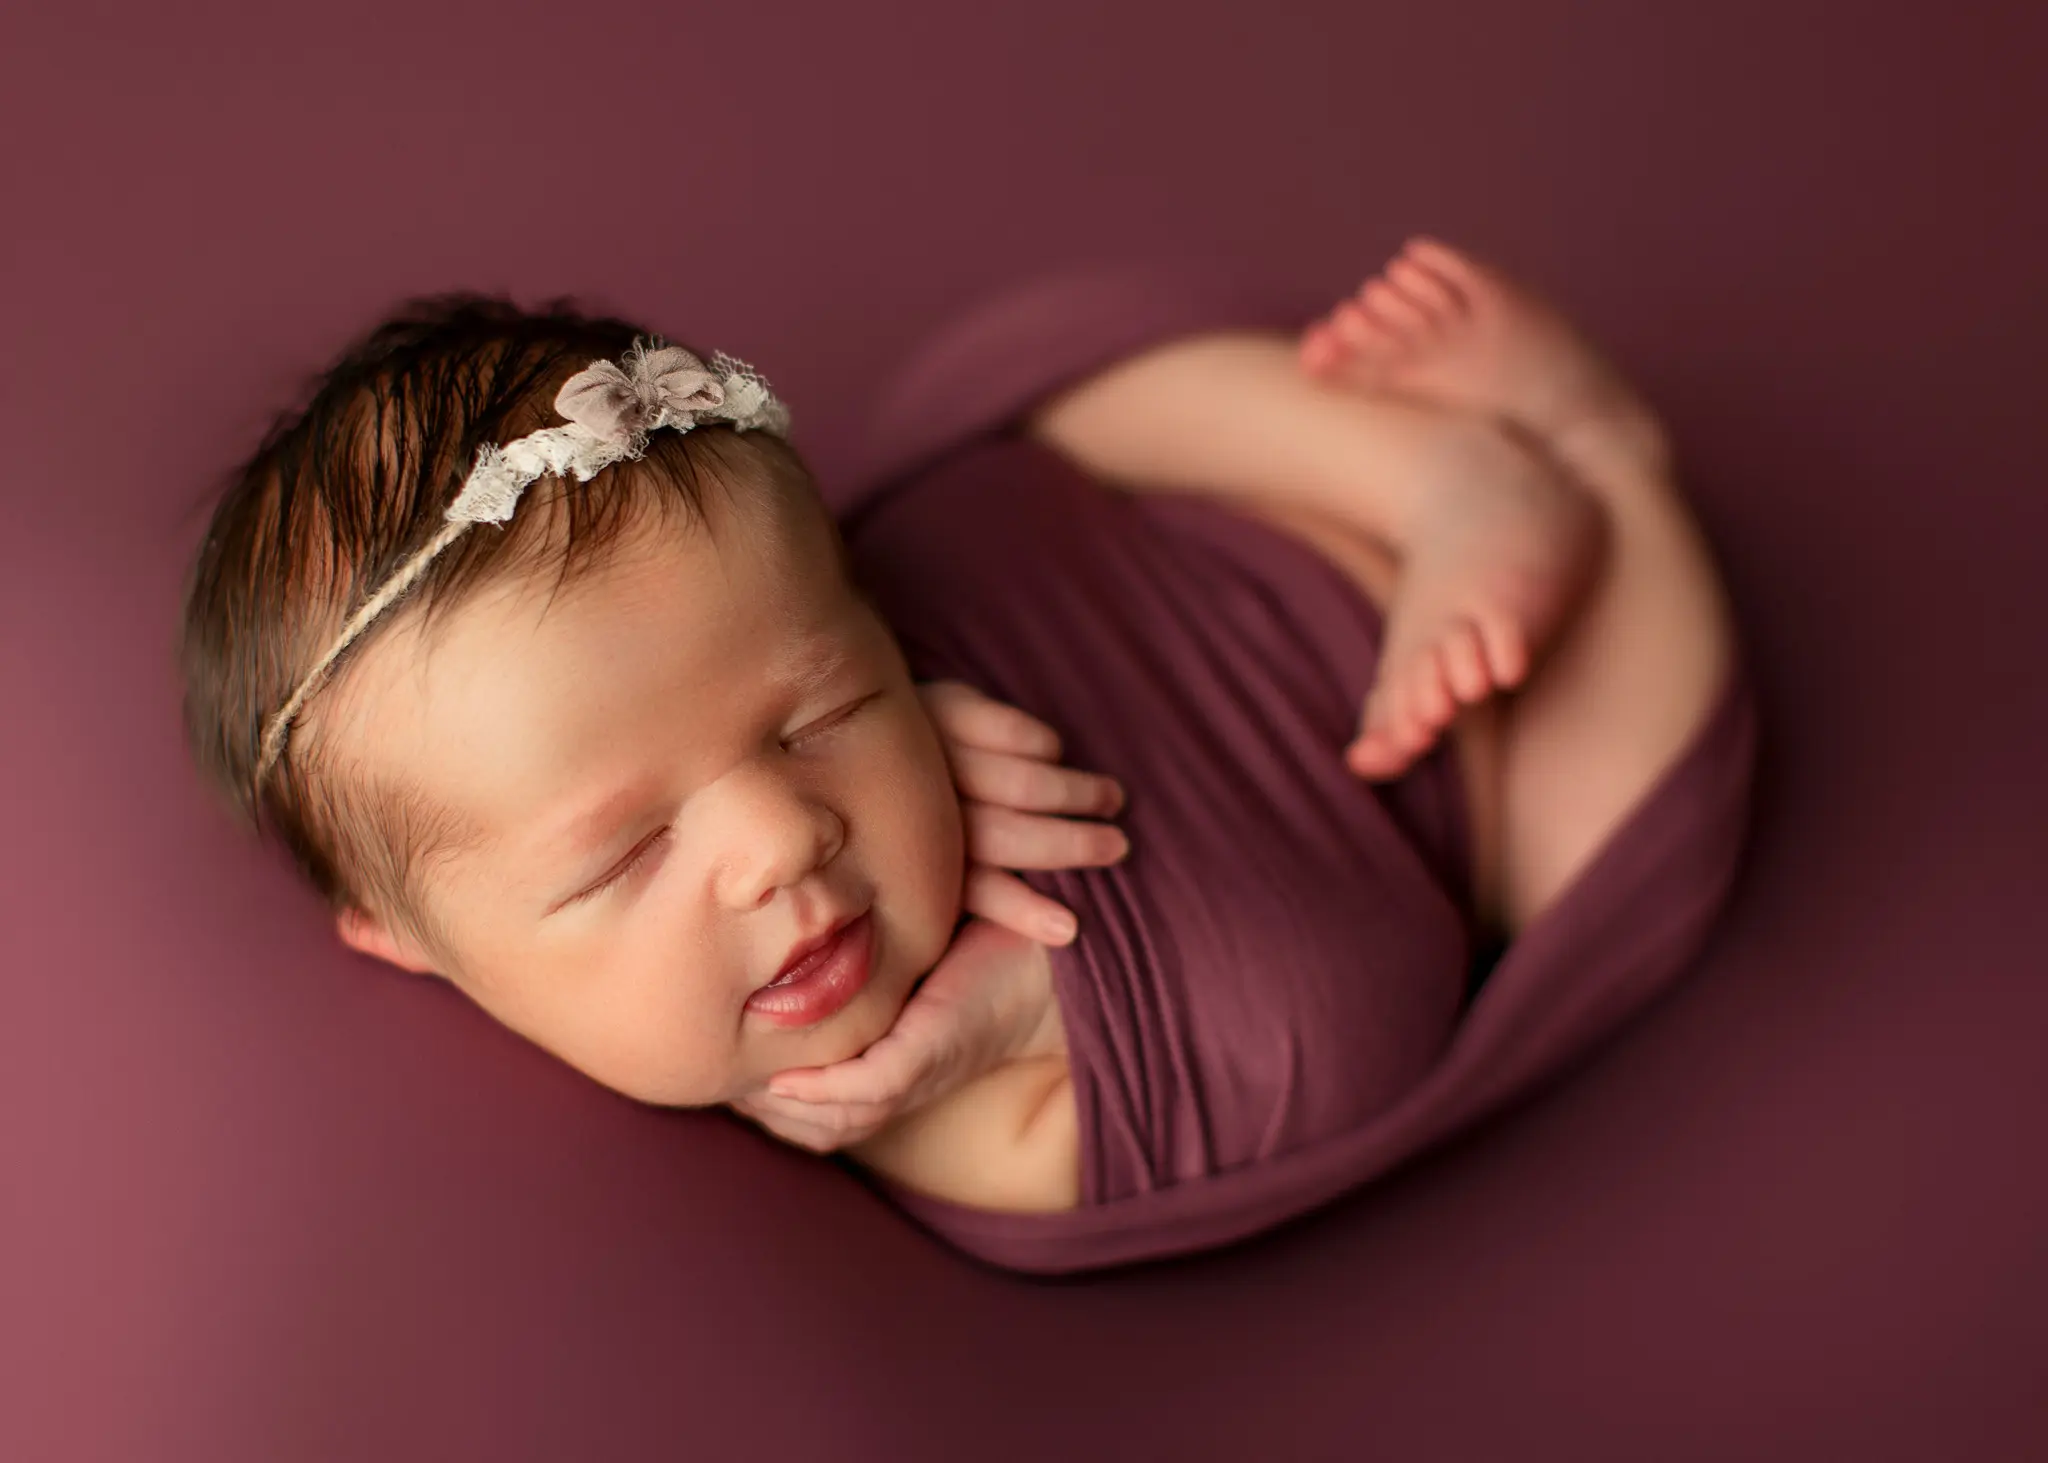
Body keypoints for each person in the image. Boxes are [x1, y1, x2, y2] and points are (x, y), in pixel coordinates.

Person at [178, 238, 1743, 1243]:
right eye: (631, 848)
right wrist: (1026, 1014)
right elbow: (1365, 1012)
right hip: (1475, 745)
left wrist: (916, 696)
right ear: (408, 936)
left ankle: (1439, 472)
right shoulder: (930, 1102)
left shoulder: (823, 646)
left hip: (1188, 519)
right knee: (1620, 810)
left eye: (817, 711)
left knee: (1031, 377)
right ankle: (1608, 451)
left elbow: (966, 538)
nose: (781, 835)